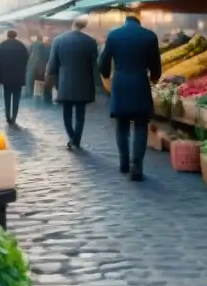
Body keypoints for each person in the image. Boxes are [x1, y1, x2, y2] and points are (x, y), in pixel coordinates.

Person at [99, 11, 162, 181]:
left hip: (120, 83)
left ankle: (124, 162)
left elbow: (103, 60)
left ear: (125, 20)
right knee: (141, 124)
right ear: (139, 21)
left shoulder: (114, 35)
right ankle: (138, 165)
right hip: (140, 82)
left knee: (122, 124)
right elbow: (155, 64)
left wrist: (106, 74)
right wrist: (155, 78)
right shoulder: (150, 36)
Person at [47, 16, 98, 150]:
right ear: (84, 26)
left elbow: (52, 64)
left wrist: (51, 78)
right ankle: (77, 139)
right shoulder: (90, 42)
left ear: (72, 24)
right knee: (80, 114)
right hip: (84, 81)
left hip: (65, 81)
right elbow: (94, 64)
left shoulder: (58, 40)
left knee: (67, 112)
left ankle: (72, 137)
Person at [0, 30, 29, 124]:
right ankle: (14, 116)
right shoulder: (21, 45)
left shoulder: (2, 45)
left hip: (6, 75)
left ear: (7, 35)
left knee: (7, 96)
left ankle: (7, 116)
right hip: (18, 75)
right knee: (17, 96)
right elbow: (26, 59)